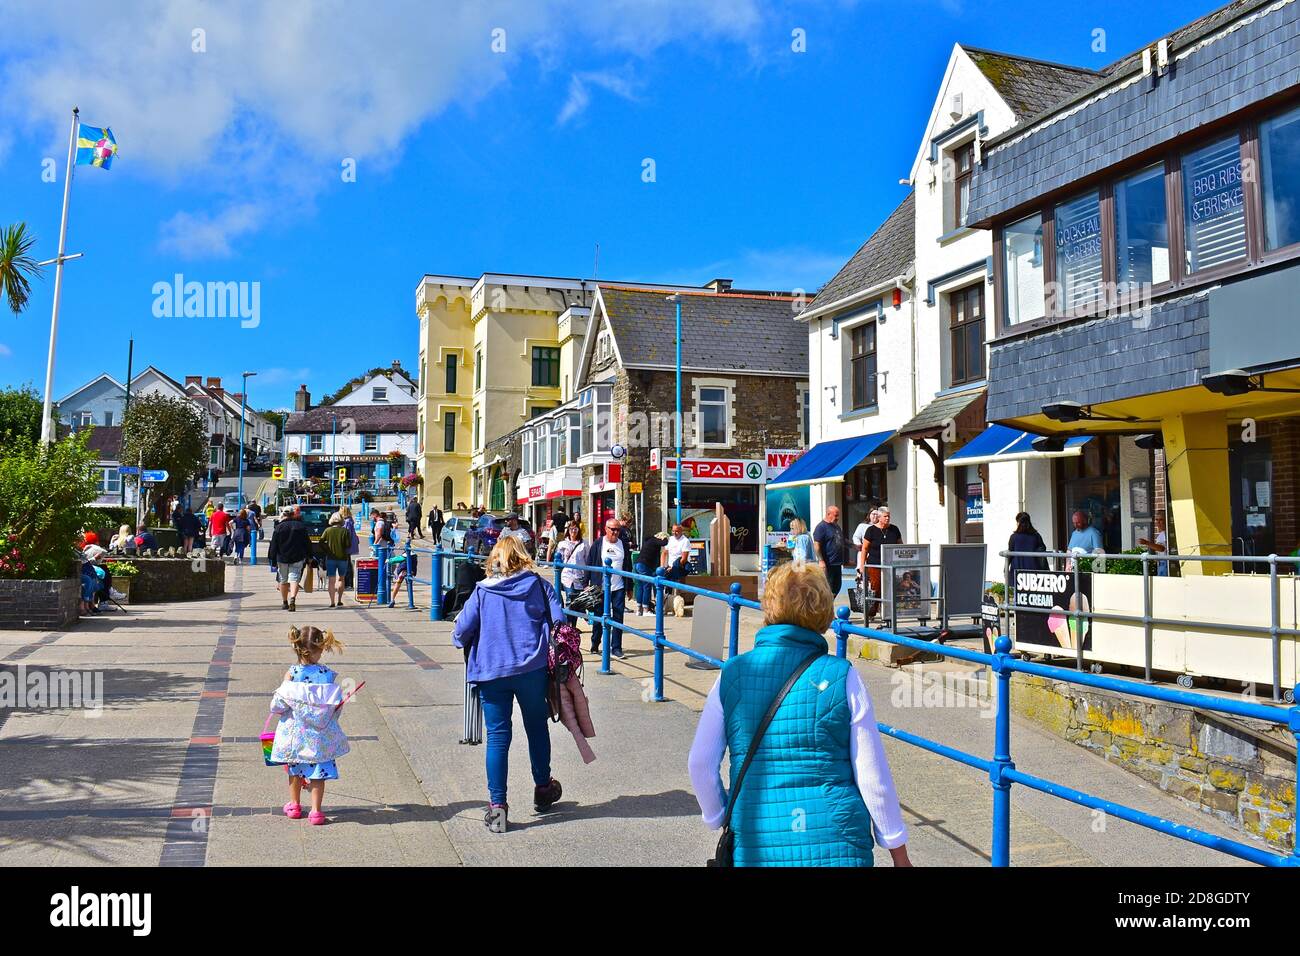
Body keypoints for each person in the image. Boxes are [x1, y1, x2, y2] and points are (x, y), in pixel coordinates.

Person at [687, 561, 910, 867]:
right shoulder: (841, 676)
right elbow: (872, 776)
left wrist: (719, 816)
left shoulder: (733, 674)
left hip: (758, 839)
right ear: (824, 611)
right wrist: (898, 850)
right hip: (837, 843)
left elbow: (700, 763)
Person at [451, 536, 564, 833]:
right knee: (537, 728)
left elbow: (462, 631)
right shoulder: (540, 586)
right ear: (523, 556)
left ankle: (498, 807)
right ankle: (543, 787)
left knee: (498, 738)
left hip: (491, 672)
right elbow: (560, 624)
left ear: (495, 559)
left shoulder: (481, 592)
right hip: (531, 669)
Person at [266, 625, 349, 826]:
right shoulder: (328, 675)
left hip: (295, 734)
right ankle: (316, 812)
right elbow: (335, 708)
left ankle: (294, 806)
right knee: (318, 772)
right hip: (319, 736)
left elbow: (277, 706)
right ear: (320, 649)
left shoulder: (292, 674)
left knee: (294, 769)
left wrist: (285, 690)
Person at [591, 517, 632, 658]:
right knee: (598, 617)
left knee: (618, 617)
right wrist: (586, 583)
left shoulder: (624, 544)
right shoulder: (598, 544)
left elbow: (628, 566)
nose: (615, 532)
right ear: (606, 529)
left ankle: (616, 648)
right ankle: (595, 643)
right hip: (600, 587)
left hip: (618, 587)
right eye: (612, 529)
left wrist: (629, 587)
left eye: (618, 530)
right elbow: (590, 563)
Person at [858, 506, 902, 621]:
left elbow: (900, 546)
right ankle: (871, 613)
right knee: (875, 589)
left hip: (890, 565)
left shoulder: (894, 529)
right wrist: (862, 566)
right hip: (875, 565)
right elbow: (865, 549)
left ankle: (888, 614)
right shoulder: (871, 530)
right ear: (879, 517)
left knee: (890, 589)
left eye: (889, 516)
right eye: (885, 516)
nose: (888, 518)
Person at [268, 506, 312, 612]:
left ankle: (284, 602)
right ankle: (293, 598)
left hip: (282, 558)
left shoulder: (279, 527)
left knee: (283, 580)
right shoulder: (300, 526)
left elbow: (273, 545)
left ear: (284, 514)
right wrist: (309, 556)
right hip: (298, 557)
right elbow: (307, 543)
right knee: (294, 578)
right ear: (293, 514)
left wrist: (272, 559)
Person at [320, 512, 353, 609]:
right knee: (341, 579)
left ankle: (332, 601)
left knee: (331, 580)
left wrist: (327, 550)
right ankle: (339, 600)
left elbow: (321, 542)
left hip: (330, 558)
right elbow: (348, 545)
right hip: (343, 558)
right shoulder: (345, 531)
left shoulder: (328, 530)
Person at [553, 522, 589, 611]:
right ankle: (568, 623)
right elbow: (558, 560)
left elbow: (588, 560)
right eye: (571, 529)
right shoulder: (562, 544)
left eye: (575, 529)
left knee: (577, 603)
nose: (573, 531)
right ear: (568, 530)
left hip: (580, 577)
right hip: (567, 576)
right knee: (570, 599)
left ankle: (573, 623)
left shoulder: (584, 544)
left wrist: (588, 577)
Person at [812, 505, 846, 598]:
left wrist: (854, 546)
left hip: (837, 563)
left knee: (837, 587)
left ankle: (828, 608)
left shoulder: (836, 526)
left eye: (838, 515)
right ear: (828, 514)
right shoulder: (821, 527)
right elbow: (816, 545)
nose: (837, 518)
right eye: (835, 515)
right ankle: (824, 610)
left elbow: (842, 540)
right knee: (828, 589)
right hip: (828, 564)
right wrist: (821, 560)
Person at [635, 530, 668, 615]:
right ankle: (646, 610)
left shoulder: (649, 541)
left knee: (640, 586)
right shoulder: (654, 540)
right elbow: (664, 542)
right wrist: (666, 538)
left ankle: (639, 610)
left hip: (637, 564)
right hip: (644, 565)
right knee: (647, 586)